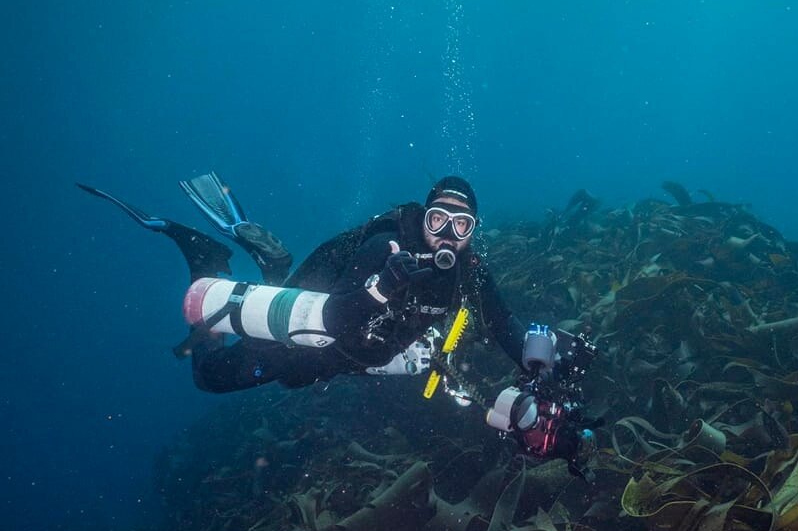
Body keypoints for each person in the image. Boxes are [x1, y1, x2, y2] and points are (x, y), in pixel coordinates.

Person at [79, 174, 596, 473]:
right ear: (425, 219)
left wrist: (546, 363)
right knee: (208, 377)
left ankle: (269, 271)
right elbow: (338, 321)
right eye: (438, 220)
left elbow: (504, 327)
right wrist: (385, 286)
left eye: (461, 226)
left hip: (347, 361)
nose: (447, 237)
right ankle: (218, 262)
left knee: (282, 376)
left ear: (471, 233)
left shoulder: (469, 274)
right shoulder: (385, 248)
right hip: (309, 341)